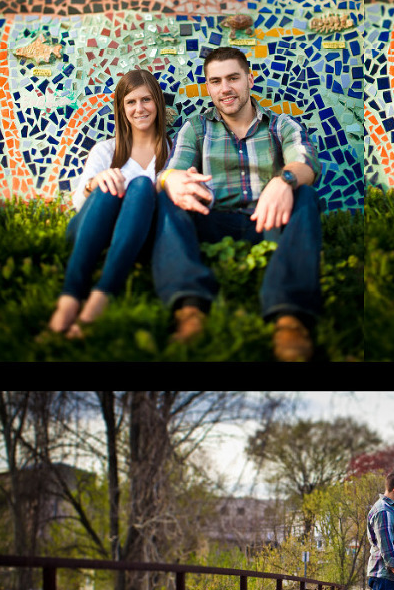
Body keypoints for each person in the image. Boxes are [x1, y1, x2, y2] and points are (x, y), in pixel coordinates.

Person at [151, 46, 322, 359]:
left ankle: (289, 319)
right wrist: (170, 179)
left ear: (249, 80)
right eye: (216, 81)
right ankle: (190, 309)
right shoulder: (196, 127)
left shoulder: (280, 125)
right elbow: (170, 170)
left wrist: (283, 181)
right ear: (208, 87)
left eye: (233, 78)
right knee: (169, 196)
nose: (225, 88)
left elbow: (306, 163)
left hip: (269, 220)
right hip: (213, 219)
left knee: (306, 195)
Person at [48, 69, 169, 337]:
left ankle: (100, 297)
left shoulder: (173, 153)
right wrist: (94, 182)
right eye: (131, 102)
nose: (140, 108)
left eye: (147, 100)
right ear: (122, 107)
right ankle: (69, 299)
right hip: (90, 232)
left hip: (139, 236)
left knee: (140, 185)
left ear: (158, 103)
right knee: (106, 184)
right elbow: (79, 205)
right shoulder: (105, 150)